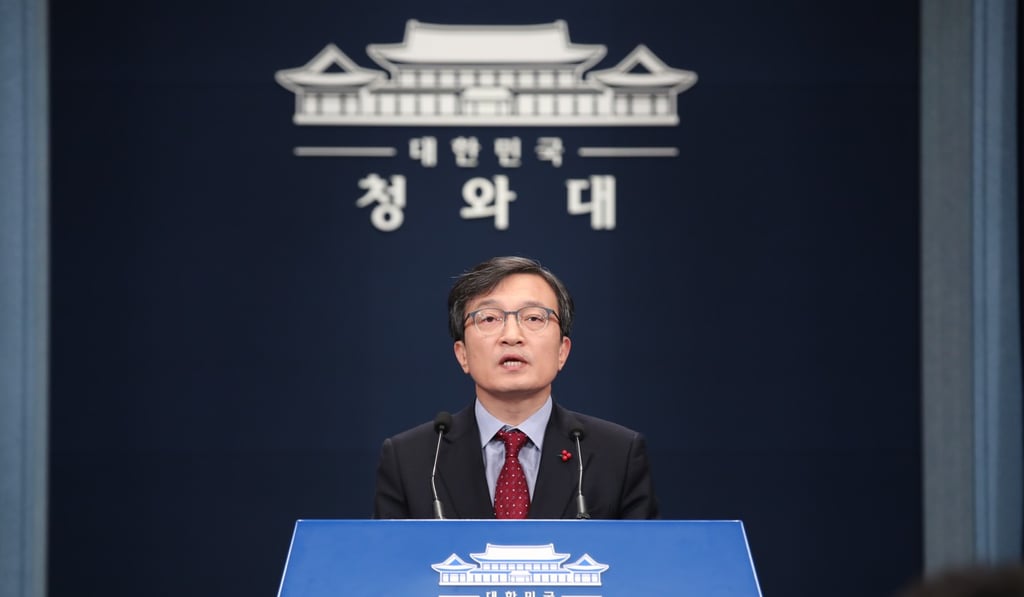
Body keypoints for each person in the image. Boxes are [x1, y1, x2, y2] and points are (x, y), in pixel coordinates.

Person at [373, 256, 659, 519]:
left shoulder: (616, 454)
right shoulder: (412, 458)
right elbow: (386, 568)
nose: (512, 336)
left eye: (534, 318)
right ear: (462, 354)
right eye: (489, 319)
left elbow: (643, 567)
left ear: (562, 351)